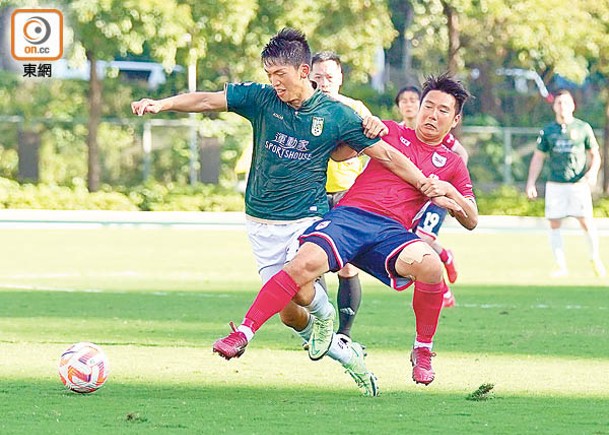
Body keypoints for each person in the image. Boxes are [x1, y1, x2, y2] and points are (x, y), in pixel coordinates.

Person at [132, 28, 439, 396]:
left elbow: (386, 154)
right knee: (289, 313)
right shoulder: (261, 99)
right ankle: (343, 350)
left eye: (281, 76)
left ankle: (318, 323)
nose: (274, 83)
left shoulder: (335, 114)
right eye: (270, 76)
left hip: (307, 217)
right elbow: (207, 101)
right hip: (259, 221)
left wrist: (424, 184)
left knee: (300, 278)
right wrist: (162, 104)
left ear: (304, 71)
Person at [213, 73, 478, 387]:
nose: (432, 114)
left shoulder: (452, 163)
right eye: (428, 106)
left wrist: (451, 194)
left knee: (431, 266)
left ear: (456, 118)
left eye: (443, 110)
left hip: (391, 234)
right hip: (350, 217)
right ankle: (243, 333)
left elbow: (471, 219)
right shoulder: (389, 130)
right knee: (298, 271)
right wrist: (363, 130)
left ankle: (422, 350)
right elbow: (338, 153)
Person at [310, 51, 371, 342]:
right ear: (307, 76)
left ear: (340, 78)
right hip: (309, 192)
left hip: (346, 194)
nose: (324, 83)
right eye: (318, 77)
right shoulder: (301, 106)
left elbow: (378, 143)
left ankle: (344, 334)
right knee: (311, 260)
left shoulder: (354, 108)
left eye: (329, 77)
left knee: (345, 265)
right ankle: (321, 328)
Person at [395, 85, 469, 306]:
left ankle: (443, 291)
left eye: (413, 100)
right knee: (415, 241)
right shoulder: (396, 131)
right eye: (403, 100)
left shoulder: (436, 131)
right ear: (398, 106)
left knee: (423, 240)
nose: (409, 104)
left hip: (434, 197)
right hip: (411, 198)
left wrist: (448, 182)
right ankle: (445, 256)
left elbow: (461, 153)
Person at [526, 89, 606, 278]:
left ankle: (595, 258)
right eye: (559, 103)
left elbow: (595, 155)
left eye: (565, 103)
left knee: (585, 221)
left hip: (577, 185)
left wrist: (592, 173)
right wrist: (531, 183)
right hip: (555, 185)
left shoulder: (583, 128)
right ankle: (560, 265)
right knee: (554, 223)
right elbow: (538, 158)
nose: (562, 106)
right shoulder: (548, 131)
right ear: (554, 106)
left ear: (573, 106)